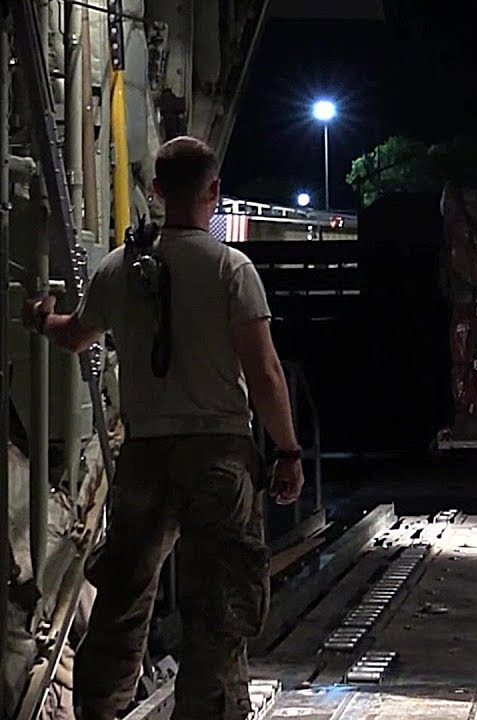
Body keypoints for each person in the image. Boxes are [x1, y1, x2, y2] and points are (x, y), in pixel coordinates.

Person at [22, 136, 304, 719]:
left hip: (145, 458)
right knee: (217, 609)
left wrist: (43, 319)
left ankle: (100, 710)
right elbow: (265, 371)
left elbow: (76, 336)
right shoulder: (231, 268)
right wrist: (288, 451)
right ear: (214, 192)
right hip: (219, 456)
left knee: (122, 601)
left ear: (155, 190)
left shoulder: (117, 268)